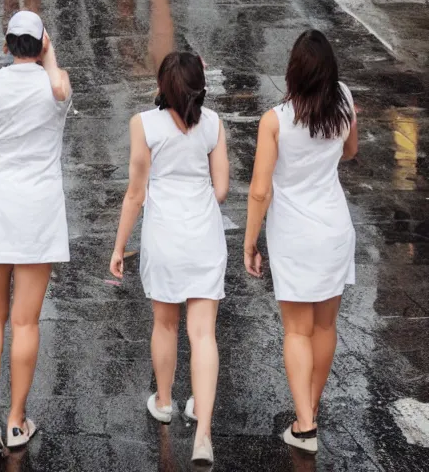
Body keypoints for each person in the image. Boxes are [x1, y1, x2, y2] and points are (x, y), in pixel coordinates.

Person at [110, 52, 229, 466]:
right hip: (204, 239)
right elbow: (221, 188)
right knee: (203, 334)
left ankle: (163, 401)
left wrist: (118, 246)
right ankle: (203, 434)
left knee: (165, 324)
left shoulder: (144, 125)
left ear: (163, 87)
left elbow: (135, 193)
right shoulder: (213, 124)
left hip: (164, 239)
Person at [244, 30, 357, 455]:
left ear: (292, 71)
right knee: (326, 326)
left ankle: (305, 425)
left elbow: (259, 191)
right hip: (334, 229)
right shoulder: (344, 99)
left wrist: (249, 243)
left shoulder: (276, 120)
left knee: (297, 329)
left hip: (293, 235)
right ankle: (310, 407)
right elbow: (350, 151)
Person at [0, 10, 71, 451]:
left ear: (7, 43)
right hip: (39, 211)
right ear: (43, 42)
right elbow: (59, 84)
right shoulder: (57, 88)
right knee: (25, 320)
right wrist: (50, 59)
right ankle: (16, 421)